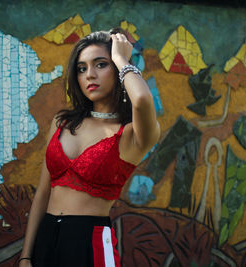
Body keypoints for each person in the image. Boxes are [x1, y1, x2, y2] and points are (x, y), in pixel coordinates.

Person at [18, 28, 160, 267]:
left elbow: (143, 100)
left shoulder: (131, 134)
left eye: (101, 64)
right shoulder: (62, 123)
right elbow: (43, 192)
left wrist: (121, 58)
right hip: (46, 237)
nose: (89, 75)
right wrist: (25, 256)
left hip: (89, 243)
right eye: (82, 68)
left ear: (117, 70)